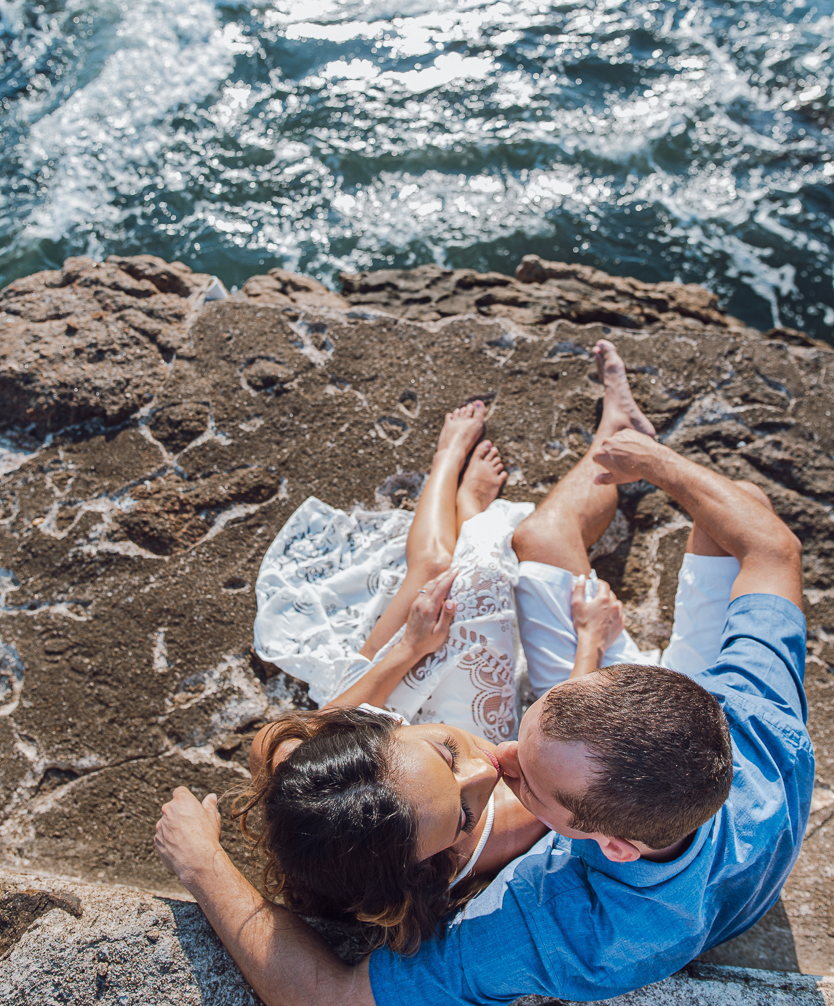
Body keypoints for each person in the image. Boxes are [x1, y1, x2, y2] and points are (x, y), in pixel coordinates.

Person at [154, 343, 813, 1006]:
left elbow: (330, 996)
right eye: (529, 728)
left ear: (608, 846)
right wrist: (657, 465)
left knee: (511, 552)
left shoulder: (565, 925)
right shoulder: (757, 711)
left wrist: (202, 864)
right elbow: (772, 547)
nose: (497, 762)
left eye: (531, 780)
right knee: (725, 507)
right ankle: (622, 441)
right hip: (704, 786)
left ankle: (575, 466)